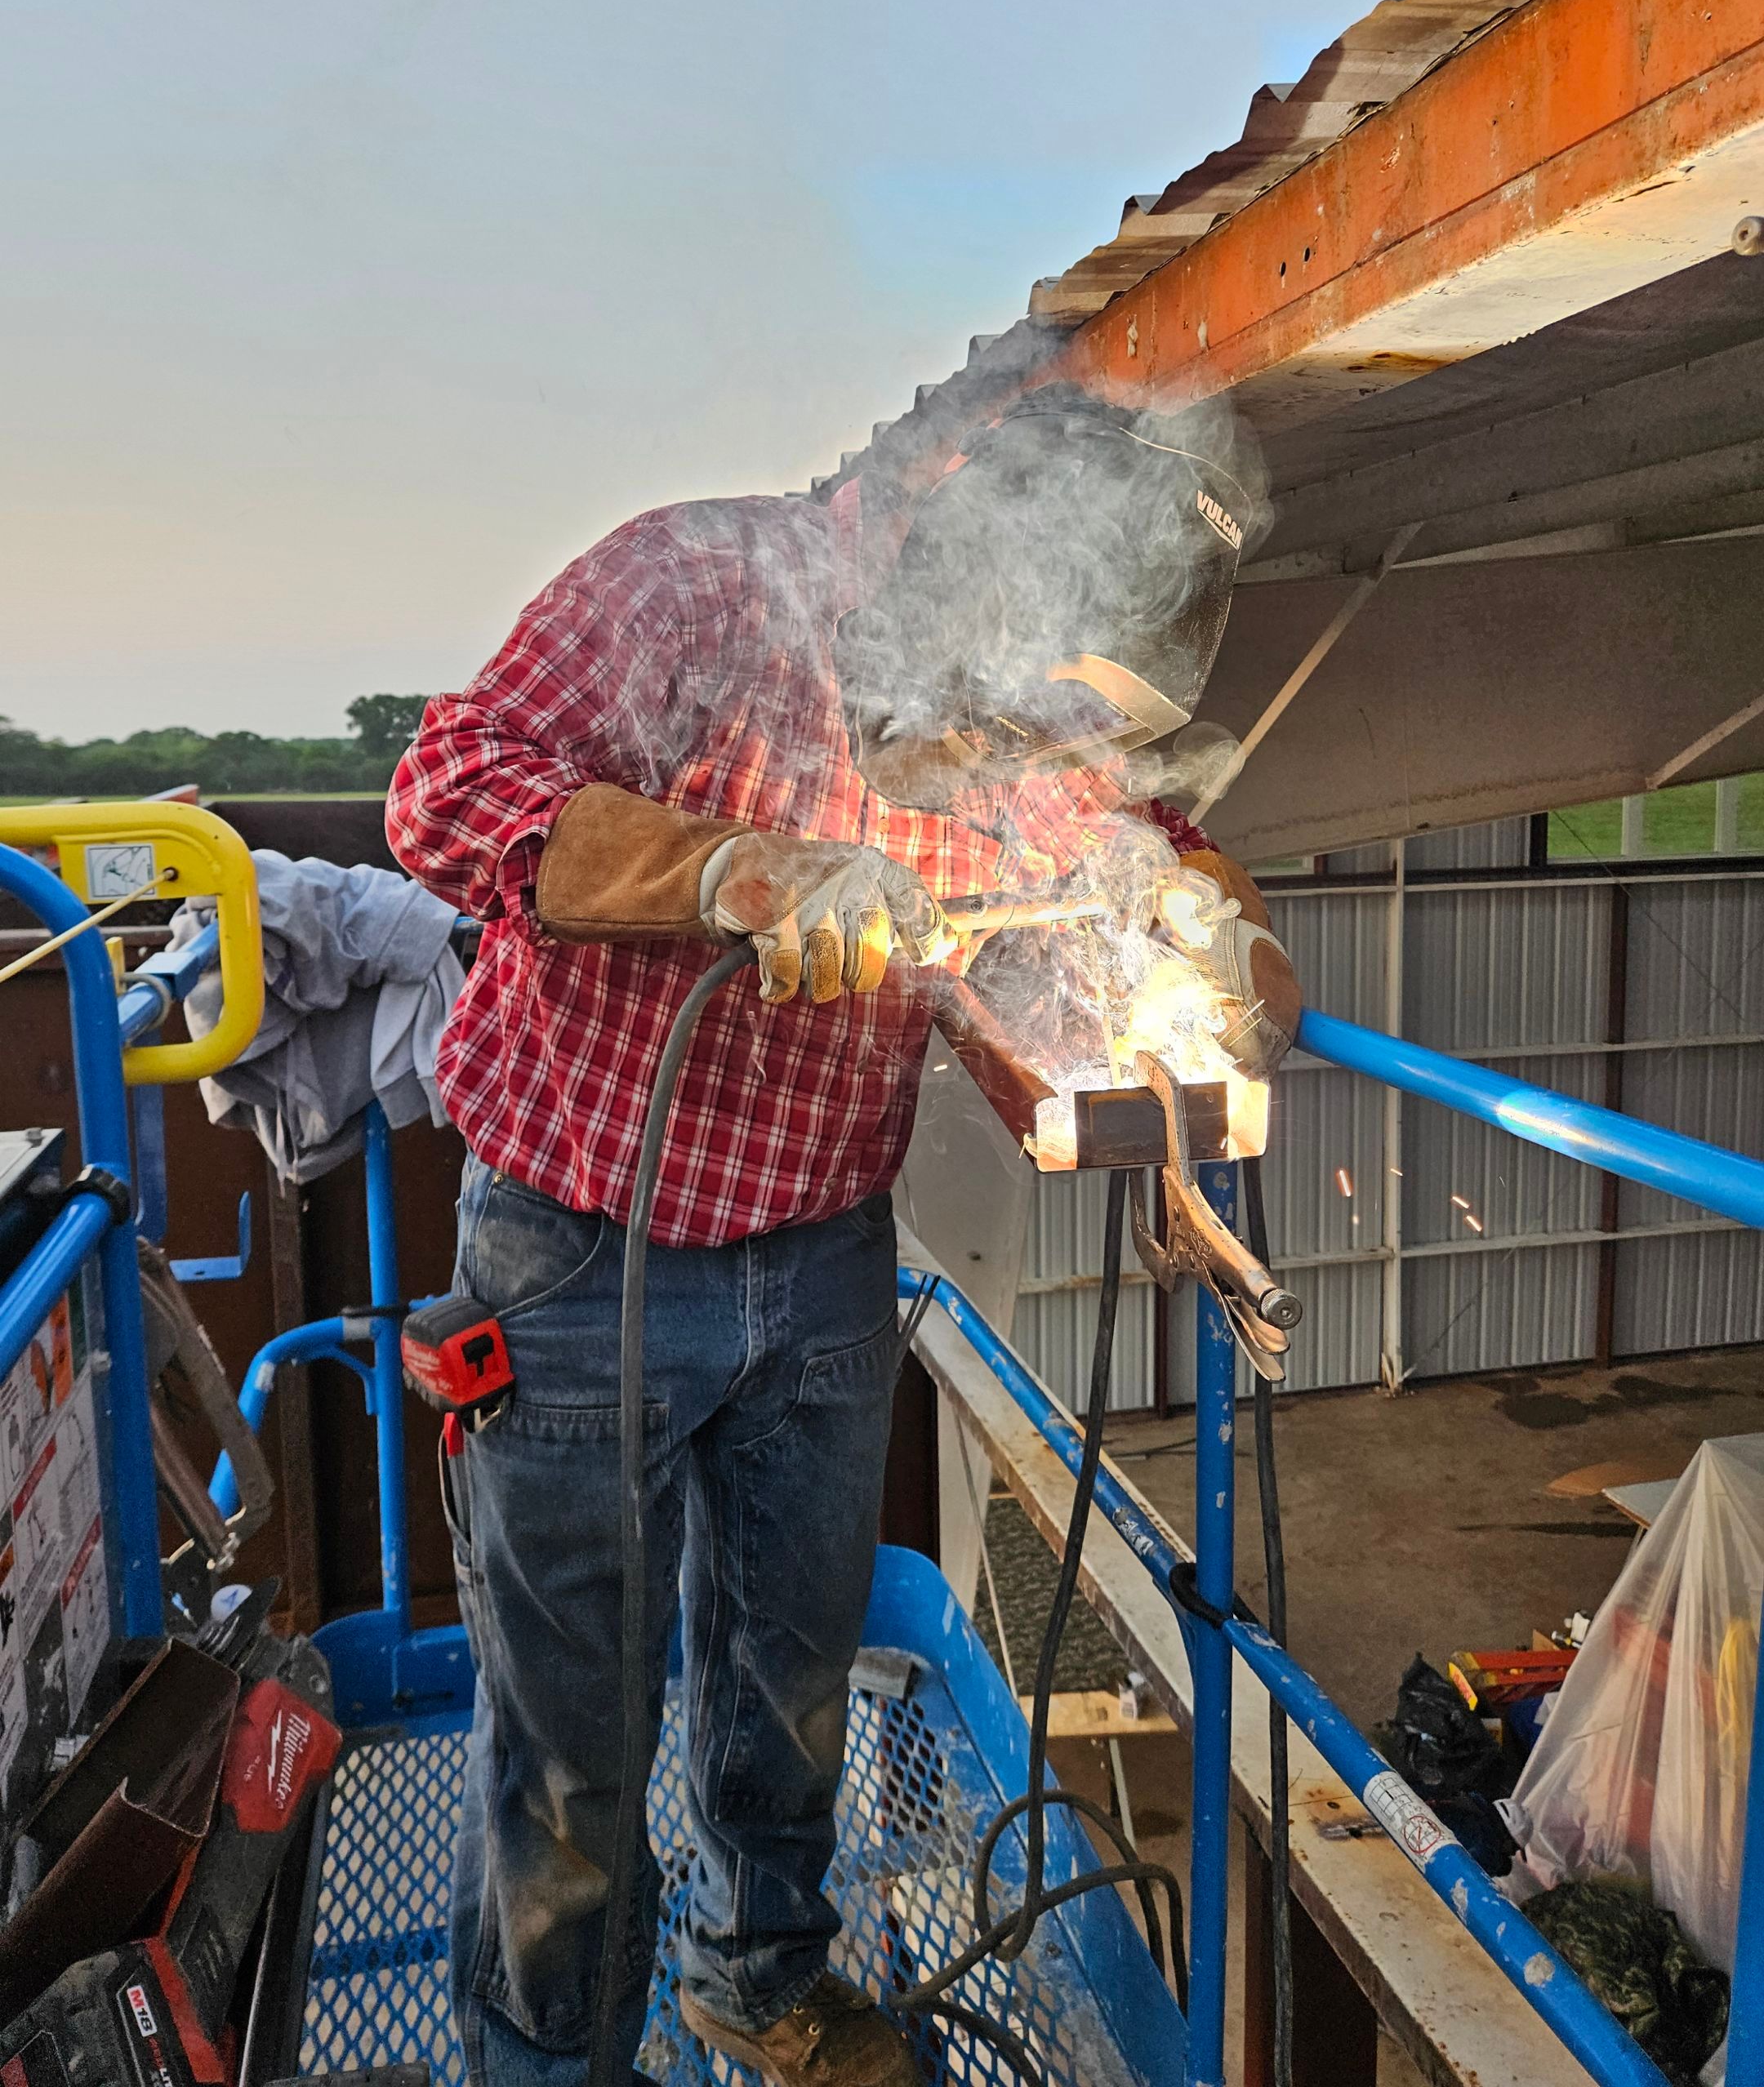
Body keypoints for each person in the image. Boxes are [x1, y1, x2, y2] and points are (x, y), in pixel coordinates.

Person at [386, 387, 1299, 2087]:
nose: (1013, 757)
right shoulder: (694, 589)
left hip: (819, 1255)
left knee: (792, 1687)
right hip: (586, 1250)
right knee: (577, 1742)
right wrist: (730, 868)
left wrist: (1203, 931)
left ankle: (761, 1978)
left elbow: (1150, 856)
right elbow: (445, 791)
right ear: (948, 528)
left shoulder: (1028, 696)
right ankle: (546, 2057)